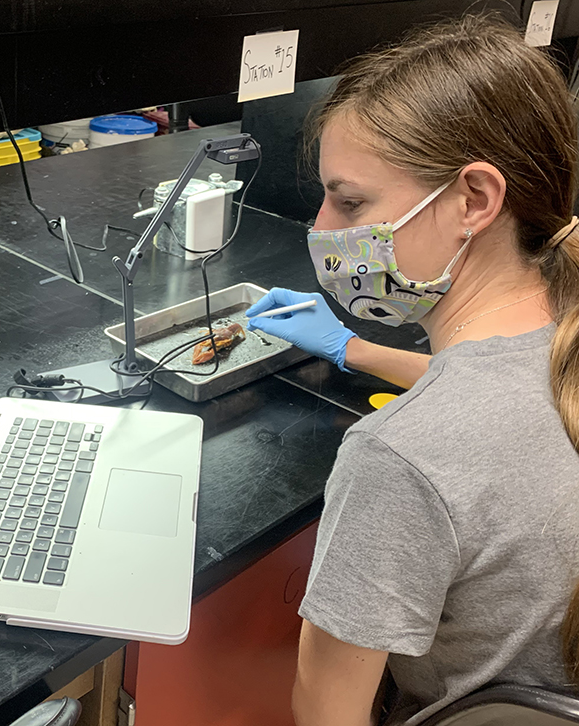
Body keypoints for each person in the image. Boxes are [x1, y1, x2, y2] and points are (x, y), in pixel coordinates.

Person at [244, 13, 579, 726]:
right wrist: (353, 350)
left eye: (351, 200)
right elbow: (510, 407)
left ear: (474, 200)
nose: (323, 229)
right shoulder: (564, 345)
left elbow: (326, 715)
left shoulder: (399, 458)